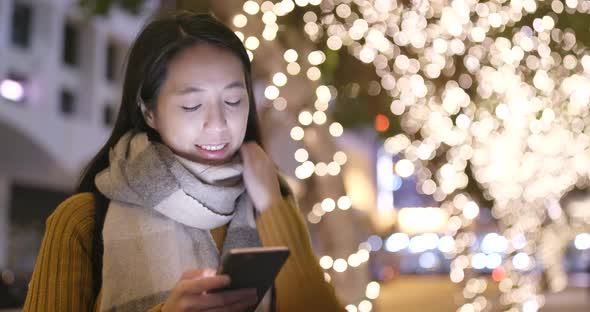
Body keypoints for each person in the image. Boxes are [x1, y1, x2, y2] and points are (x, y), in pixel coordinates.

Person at [23, 12, 344, 312]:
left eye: (233, 100)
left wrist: (273, 205)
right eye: (192, 105)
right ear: (149, 111)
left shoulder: (270, 203)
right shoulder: (83, 220)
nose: (218, 123)